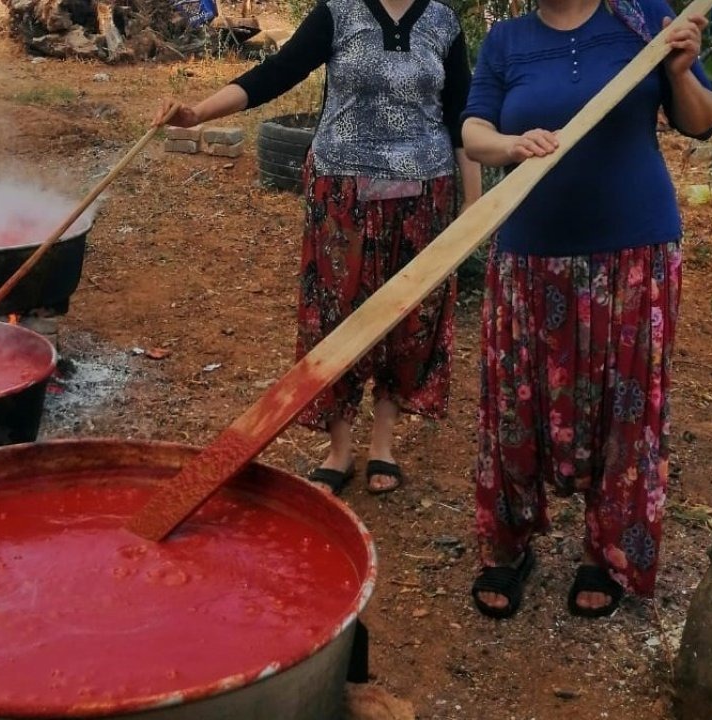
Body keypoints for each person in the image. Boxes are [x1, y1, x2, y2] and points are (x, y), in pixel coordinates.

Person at [156, 0, 482, 495]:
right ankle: (340, 447)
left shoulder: (443, 21)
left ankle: (383, 443)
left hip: (424, 196)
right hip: (342, 194)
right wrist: (197, 112)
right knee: (335, 313)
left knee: (411, 316)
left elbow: (461, 114)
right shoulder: (340, 12)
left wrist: (474, 206)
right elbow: (278, 72)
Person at [463, 0, 712, 619]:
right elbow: (473, 132)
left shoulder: (643, 19)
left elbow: (705, 122)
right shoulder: (506, 40)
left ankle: (604, 556)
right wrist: (508, 144)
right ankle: (508, 545)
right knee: (513, 406)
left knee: (624, 409)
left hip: (635, 254)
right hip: (527, 255)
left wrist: (682, 70)